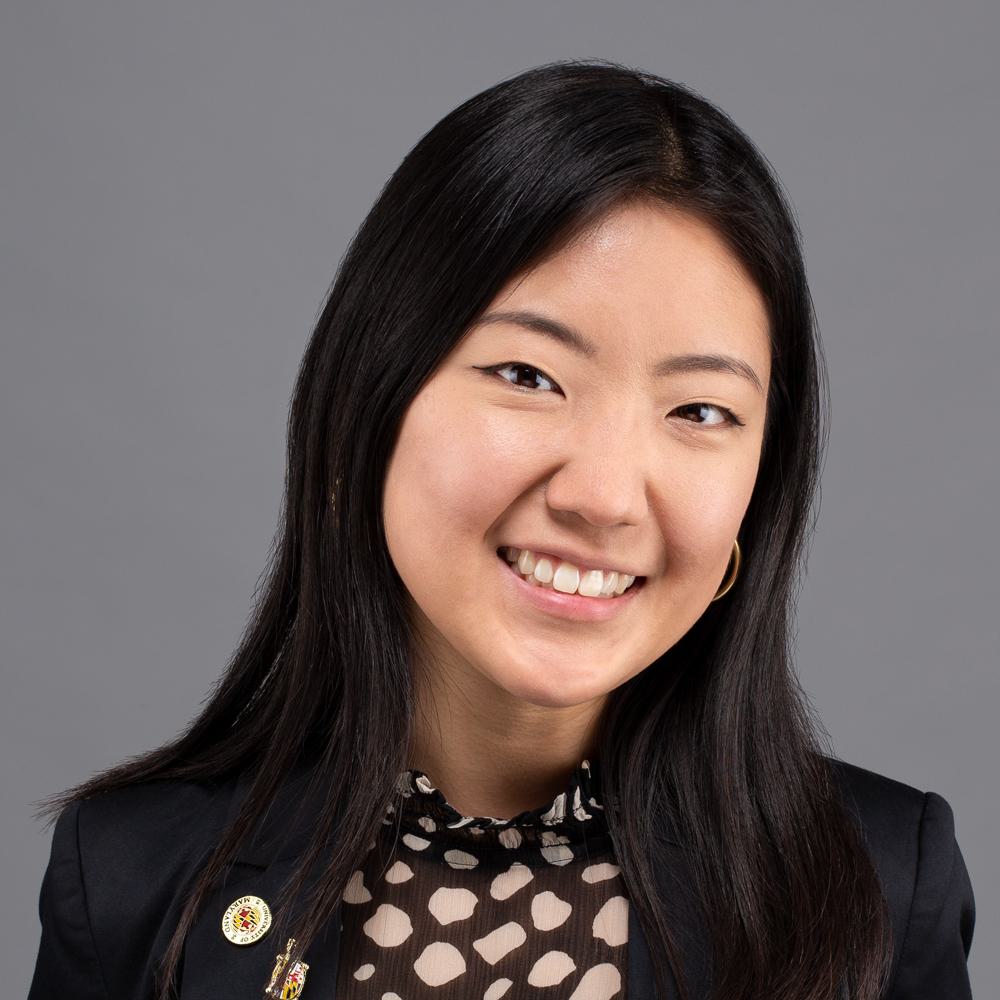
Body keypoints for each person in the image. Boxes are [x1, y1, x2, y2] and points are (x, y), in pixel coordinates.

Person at [26, 59, 975, 1000]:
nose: (604, 497)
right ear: (369, 405)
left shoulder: (882, 890)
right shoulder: (130, 883)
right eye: (528, 376)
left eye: (700, 411)